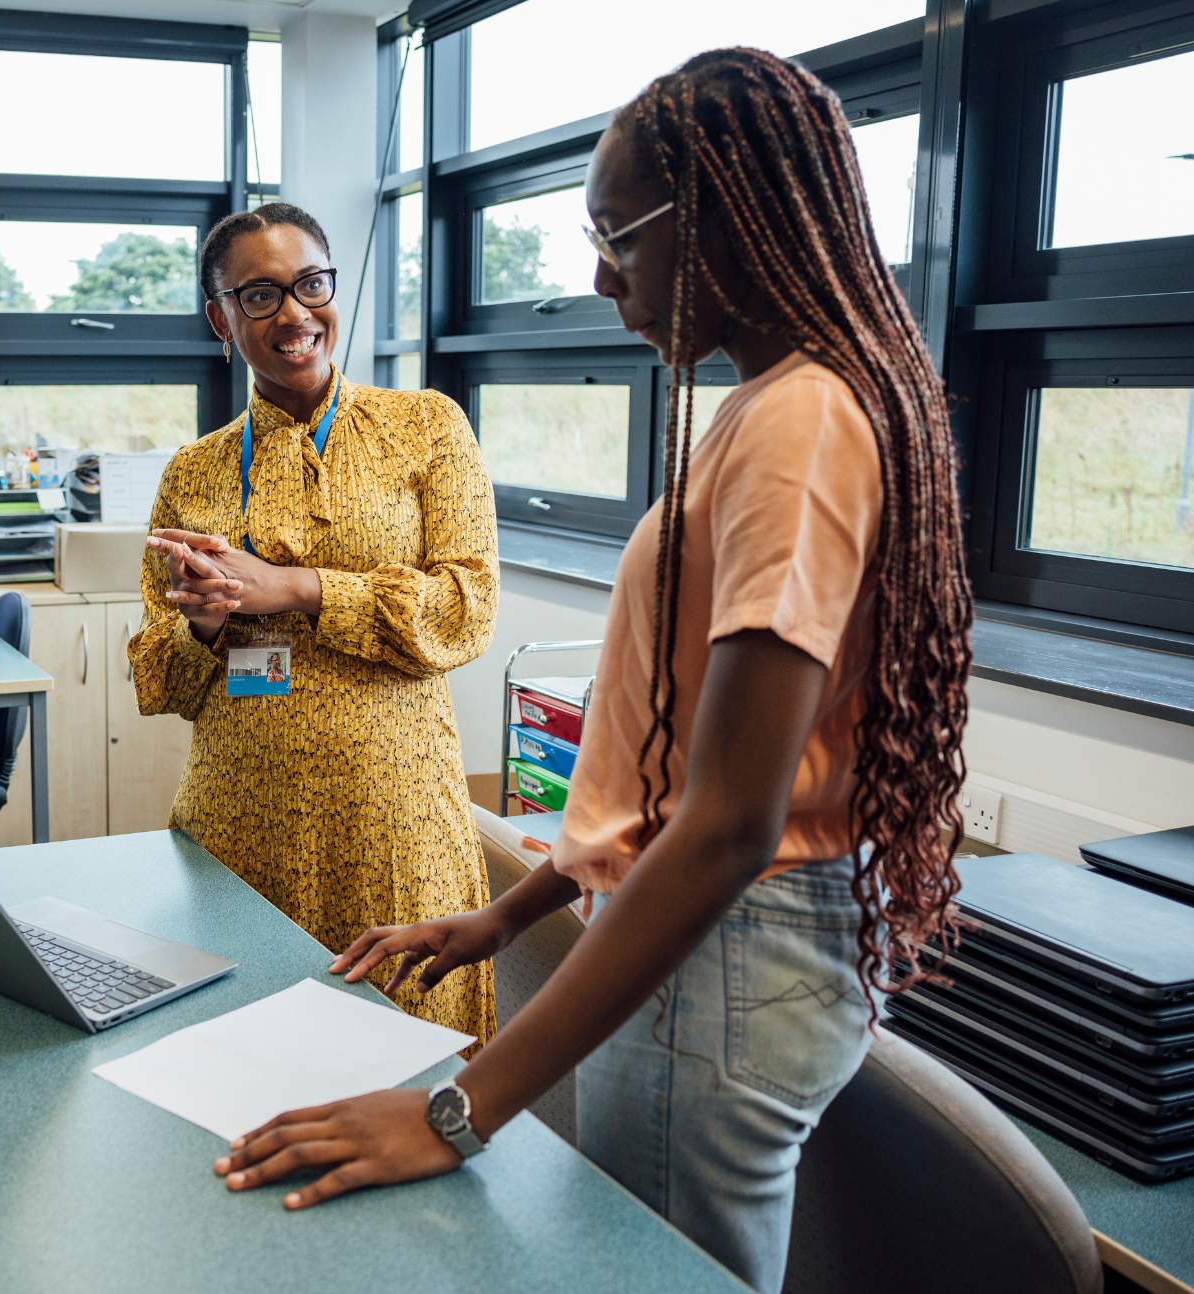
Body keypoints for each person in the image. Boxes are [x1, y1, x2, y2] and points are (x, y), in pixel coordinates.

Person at [209, 50, 973, 1294]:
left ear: (723, 220)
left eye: (618, 236)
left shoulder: (800, 420)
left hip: (720, 956)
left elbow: (727, 825)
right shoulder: (783, 401)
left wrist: (454, 1109)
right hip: (710, 947)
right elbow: (671, 772)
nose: (599, 274)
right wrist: (514, 910)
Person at [128, 202, 499, 1044]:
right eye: (259, 296)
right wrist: (206, 627)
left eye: (311, 285)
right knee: (242, 1052)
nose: (294, 314)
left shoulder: (427, 428)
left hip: (395, 822)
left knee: (411, 1052)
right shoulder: (195, 470)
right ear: (220, 318)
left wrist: (297, 589)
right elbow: (157, 672)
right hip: (236, 825)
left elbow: (465, 609)